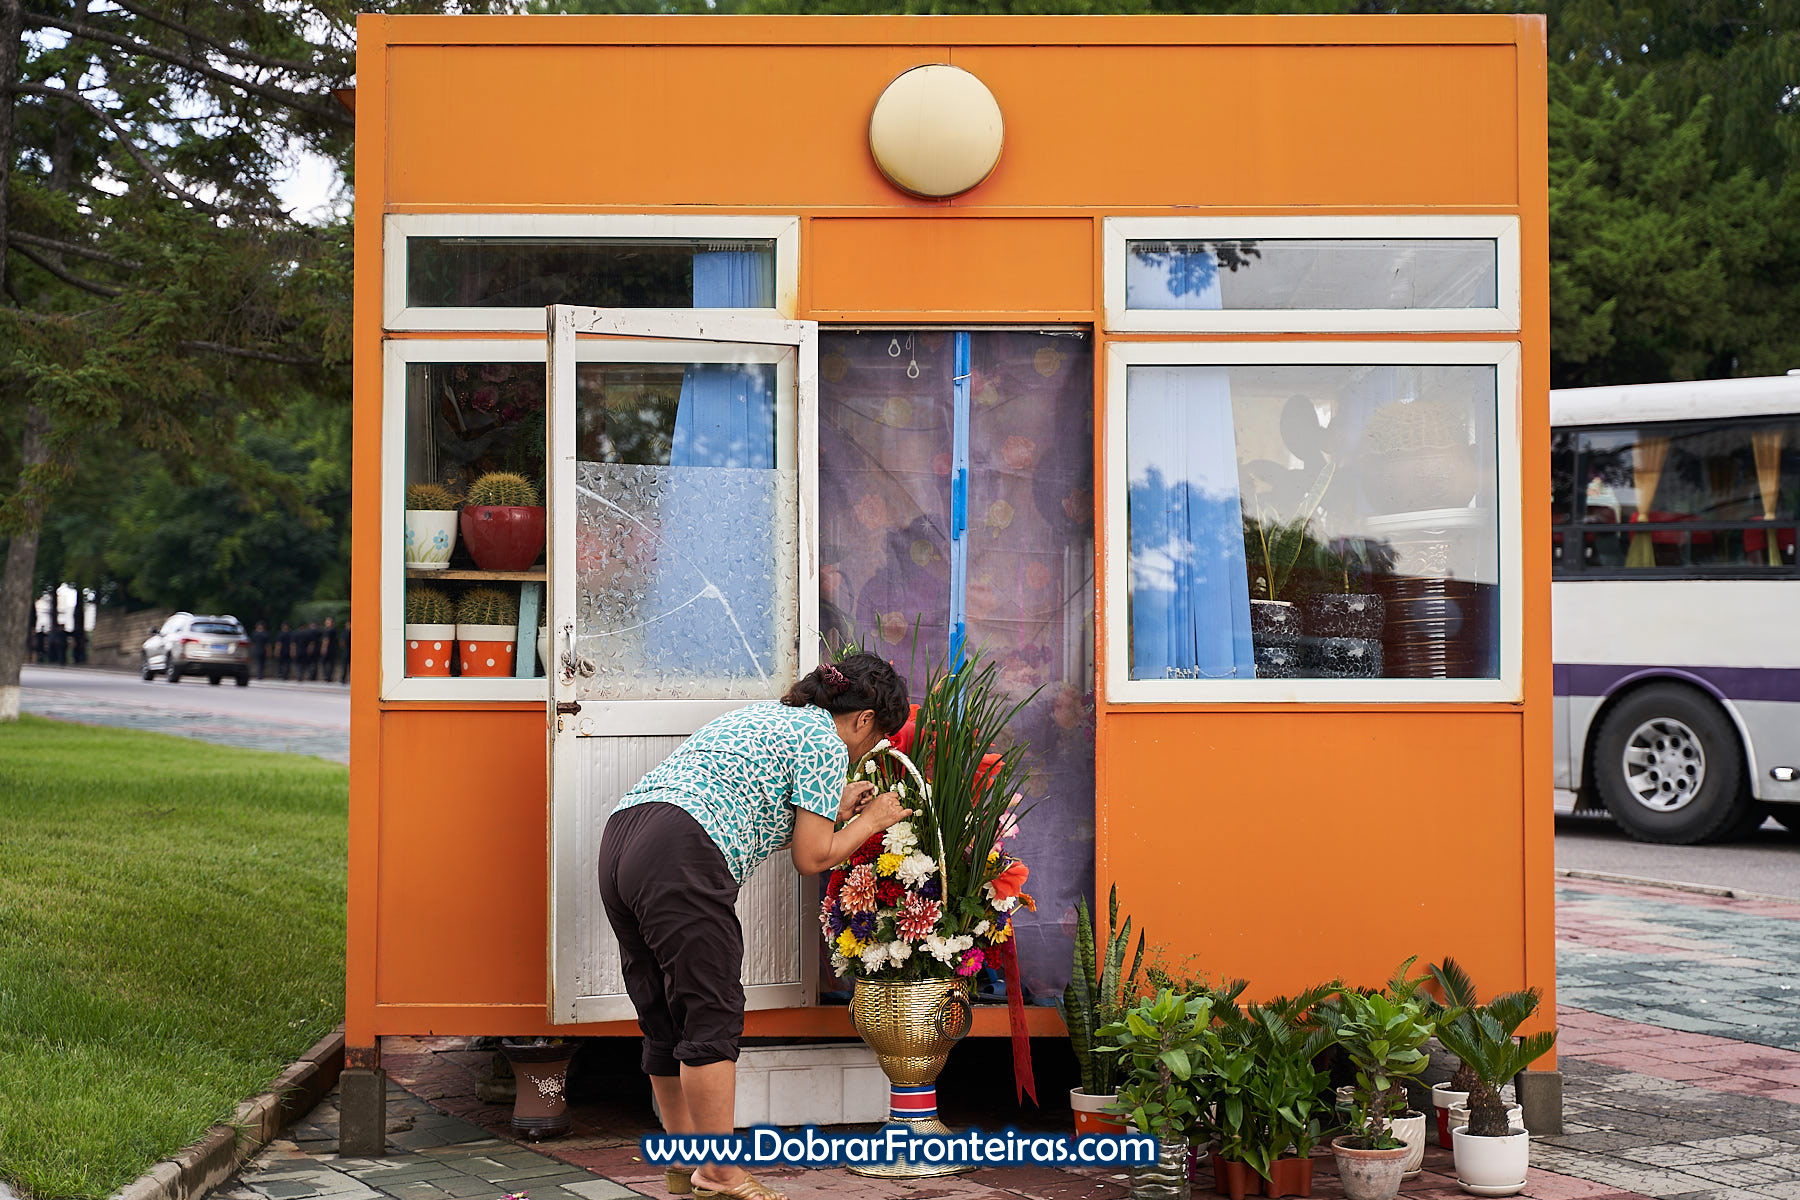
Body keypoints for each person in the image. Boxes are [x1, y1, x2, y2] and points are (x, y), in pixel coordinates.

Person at [597, 654, 911, 1200]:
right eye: (877, 737)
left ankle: (684, 1161)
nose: (867, 750)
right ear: (863, 720)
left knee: (667, 1015)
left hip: (625, 839)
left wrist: (835, 809)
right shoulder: (827, 744)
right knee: (711, 1013)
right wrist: (872, 819)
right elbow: (812, 859)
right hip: (682, 854)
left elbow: (757, 802)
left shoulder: (769, 716)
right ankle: (718, 1173)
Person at [320, 617, 340, 684]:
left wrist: (323, 648)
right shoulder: (335, 630)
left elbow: (326, 640)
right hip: (333, 649)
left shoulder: (327, 630)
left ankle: (327, 676)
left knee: (323, 662)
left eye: (328, 622)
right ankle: (329, 677)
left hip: (329, 649)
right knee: (332, 663)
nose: (326, 623)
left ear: (331, 623)